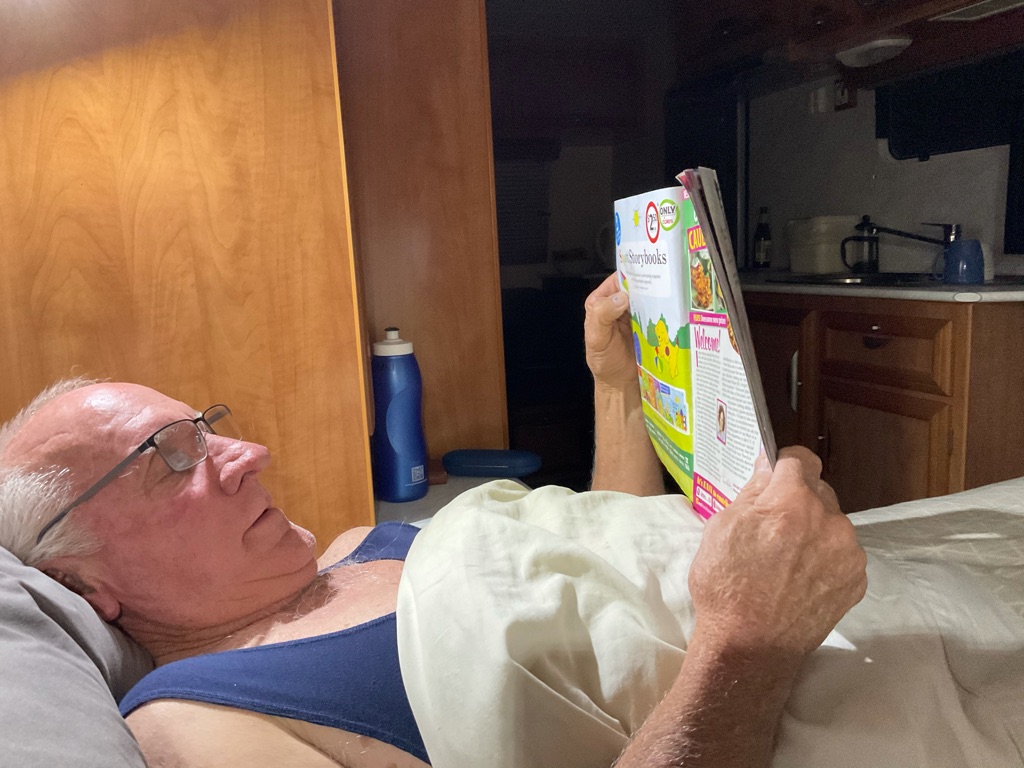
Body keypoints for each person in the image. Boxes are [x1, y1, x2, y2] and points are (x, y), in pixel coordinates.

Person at [0, 274, 866, 768]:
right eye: (169, 455)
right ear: (84, 580)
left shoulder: (354, 549)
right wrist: (747, 641)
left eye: (209, 429)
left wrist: (616, 385)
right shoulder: (193, 726)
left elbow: (602, 579)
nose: (250, 454)